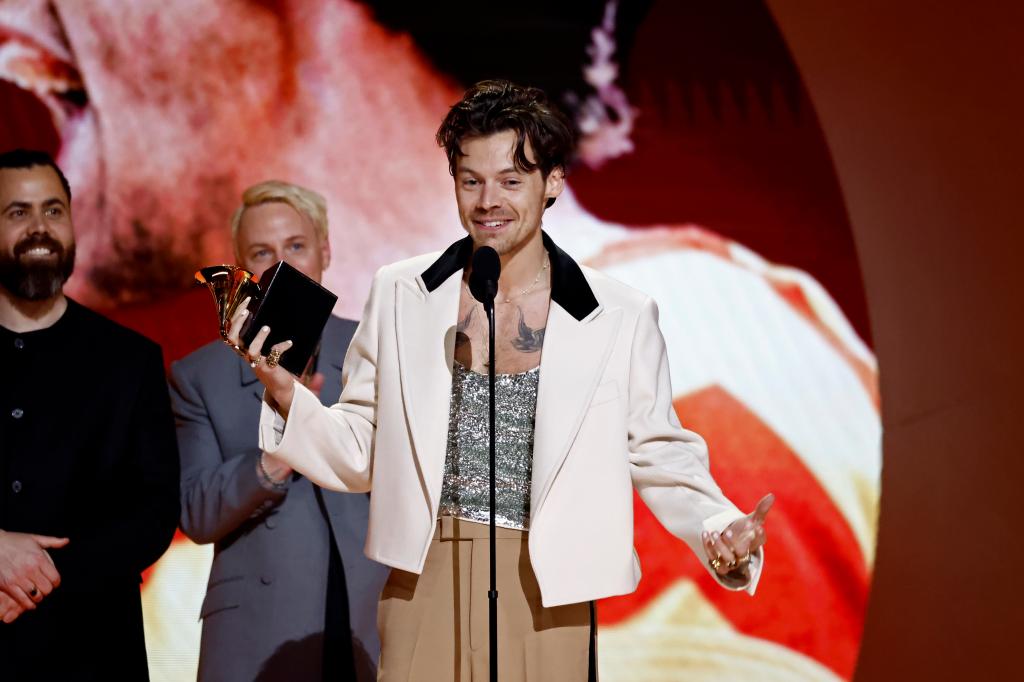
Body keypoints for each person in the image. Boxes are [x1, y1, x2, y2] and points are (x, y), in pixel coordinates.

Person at [230, 81, 774, 681]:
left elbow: (658, 451)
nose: (489, 201)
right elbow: (361, 448)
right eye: (471, 181)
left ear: (554, 182)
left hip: (548, 586)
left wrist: (720, 528)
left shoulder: (619, 315)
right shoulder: (401, 293)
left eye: (511, 180)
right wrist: (284, 391)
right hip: (425, 576)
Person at [171, 180, 389, 681]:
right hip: (261, 629)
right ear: (245, 269)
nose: (285, 265)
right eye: (264, 252)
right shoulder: (200, 376)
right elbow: (197, 512)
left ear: (325, 251)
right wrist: (281, 451)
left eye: (296, 246)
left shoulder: (373, 349)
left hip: (369, 618)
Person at [0, 148, 180, 680]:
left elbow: (153, 513)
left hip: (92, 650)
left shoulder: (131, 360)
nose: (40, 228)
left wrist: (41, 572)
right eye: (18, 212)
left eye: (53, 211)